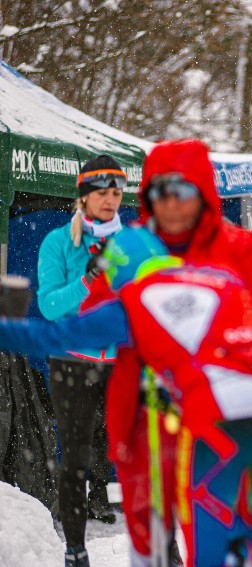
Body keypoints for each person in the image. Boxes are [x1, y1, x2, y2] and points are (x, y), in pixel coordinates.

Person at [0, 227, 252, 567]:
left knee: (212, 554)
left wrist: (6, 325)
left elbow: (55, 336)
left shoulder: (134, 300)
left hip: (220, 425)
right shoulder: (220, 283)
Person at [82, 139, 252, 566]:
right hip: (146, 413)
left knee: (221, 526)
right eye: (159, 192)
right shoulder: (129, 246)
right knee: (148, 532)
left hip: (219, 413)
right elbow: (92, 318)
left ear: (202, 193)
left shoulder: (238, 247)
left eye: (182, 192)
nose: (171, 204)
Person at [36, 154, 125, 564]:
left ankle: (166, 549)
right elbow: (51, 305)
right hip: (73, 363)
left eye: (117, 192)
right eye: (102, 193)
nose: (111, 200)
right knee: (75, 458)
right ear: (83, 196)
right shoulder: (58, 241)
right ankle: (75, 550)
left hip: (123, 362)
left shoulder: (132, 241)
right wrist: (86, 281)